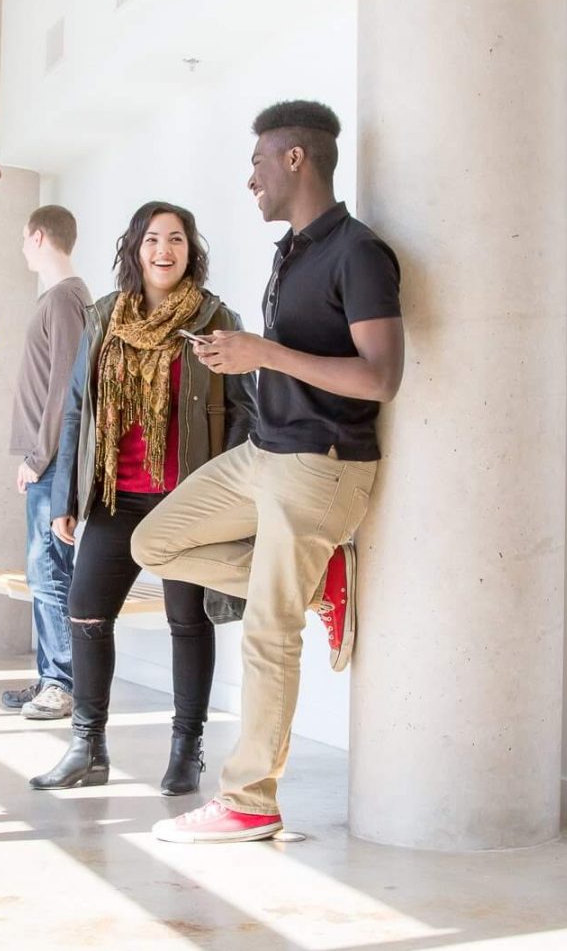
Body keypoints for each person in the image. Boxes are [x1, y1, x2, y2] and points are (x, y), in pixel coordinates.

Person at [135, 101, 403, 843]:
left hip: (322, 466)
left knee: (266, 627)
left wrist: (266, 354)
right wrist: (241, 359)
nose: (249, 177)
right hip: (266, 453)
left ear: (295, 160)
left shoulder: (358, 251)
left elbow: (382, 377)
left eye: (258, 162)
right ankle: (324, 583)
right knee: (154, 545)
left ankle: (250, 799)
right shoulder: (293, 250)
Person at [29, 202, 255, 798]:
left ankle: (187, 750)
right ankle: (87, 746)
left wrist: (222, 497)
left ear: (191, 249)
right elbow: (76, 408)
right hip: (113, 495)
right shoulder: (104, 317)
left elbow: (243, 415)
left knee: (187, 621)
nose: (164, 249)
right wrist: (64, 497)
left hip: (187, 503)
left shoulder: (214, 318)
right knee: (85, 613)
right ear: (134, 248)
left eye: (176, 238)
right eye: (153, 238)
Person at [1, 206, 92, 721]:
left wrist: (38, 458)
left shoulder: (64, 298)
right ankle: (49, 679)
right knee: (44, 570)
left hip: (53, 460)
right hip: (50, 459)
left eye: (23, 239)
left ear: (38, 236)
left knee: (49, 571)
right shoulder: (64, 296)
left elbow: (65, 386)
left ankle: (61, 682)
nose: (22, 248)